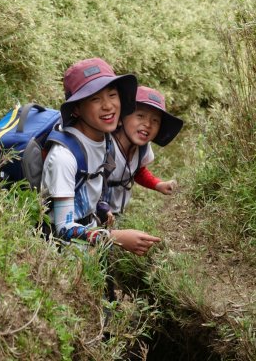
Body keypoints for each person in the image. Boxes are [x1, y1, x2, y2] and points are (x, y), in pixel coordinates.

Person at [41, 58, 161, 256]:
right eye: (95, 99)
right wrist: (115, 237)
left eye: (112, 95)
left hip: (87, 248)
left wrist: (102, 207)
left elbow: (91, 185)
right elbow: (63, 227)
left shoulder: (104, 140)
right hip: (60, 258)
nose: (108, 105)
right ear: (77, 109)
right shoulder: (64, 157)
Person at [101, 85, 184, 218]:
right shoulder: (104, 147)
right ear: (121, 118)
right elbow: (88, 183)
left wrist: (158, 184)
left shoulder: (142, 149)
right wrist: (101, 208)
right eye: (140, 116)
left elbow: (137, 171)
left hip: (114, 215)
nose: (148, 124)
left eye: (155, 120)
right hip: (90, 215)